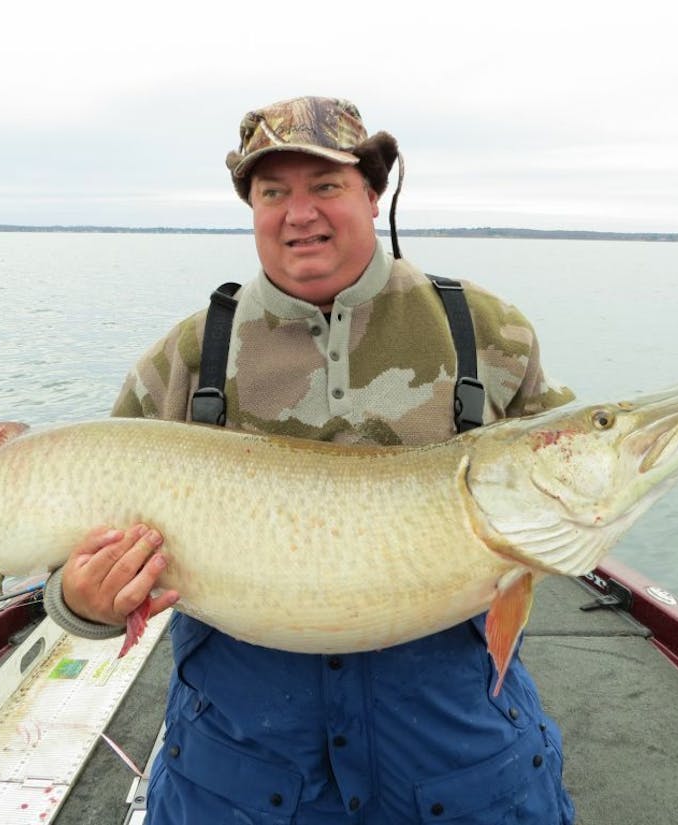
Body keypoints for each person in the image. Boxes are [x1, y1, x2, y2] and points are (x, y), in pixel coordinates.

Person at [43, 96, 577, 824]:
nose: (300, 213)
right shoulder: (186, 357)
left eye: (325, 185)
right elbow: (75, 546)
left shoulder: (488, 331)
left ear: (372, 190)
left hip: (459, 753)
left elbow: (570, 484)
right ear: (251, 206)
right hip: (242, 767)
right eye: (273, 191)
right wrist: (82, 602)